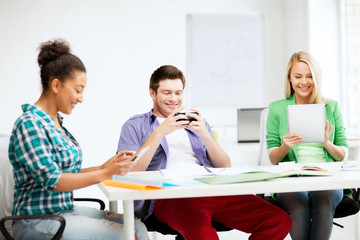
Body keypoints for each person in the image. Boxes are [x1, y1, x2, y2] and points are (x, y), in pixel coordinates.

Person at [117, 65, 291, 240]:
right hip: (171, 194)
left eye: (178, 93)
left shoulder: (197, 122)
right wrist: (161, 131)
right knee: (203, 235)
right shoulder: (135, 126)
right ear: (152, 93)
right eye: (167, 93)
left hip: (210, 187)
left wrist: (204, 134)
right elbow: (130, 171)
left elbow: (224, 166)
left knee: (278, 220)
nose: (174, 99)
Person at [8, 39, 149, 240]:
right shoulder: (30, 123)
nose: (81, 98)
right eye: (78, 89)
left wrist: (104, 167)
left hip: (64, 212)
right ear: (56, 85)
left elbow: (67, 173)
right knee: (126, 235)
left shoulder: (56, 123)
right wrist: (105, 174)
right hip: (36, 221)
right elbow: (53, 180)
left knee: (137, 227)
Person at [266, 51, 348, 240]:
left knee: (324, 201)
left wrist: (327, 143)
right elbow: (273, 158)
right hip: (291, 178)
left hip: (327, 177)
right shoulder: (277, 108)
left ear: (316, 78)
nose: (304, 82)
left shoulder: (332, 107)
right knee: (299, 201)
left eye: (310, 76)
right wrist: (285, 146)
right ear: (289, 78)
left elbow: (343, 153)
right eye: (298, 76)